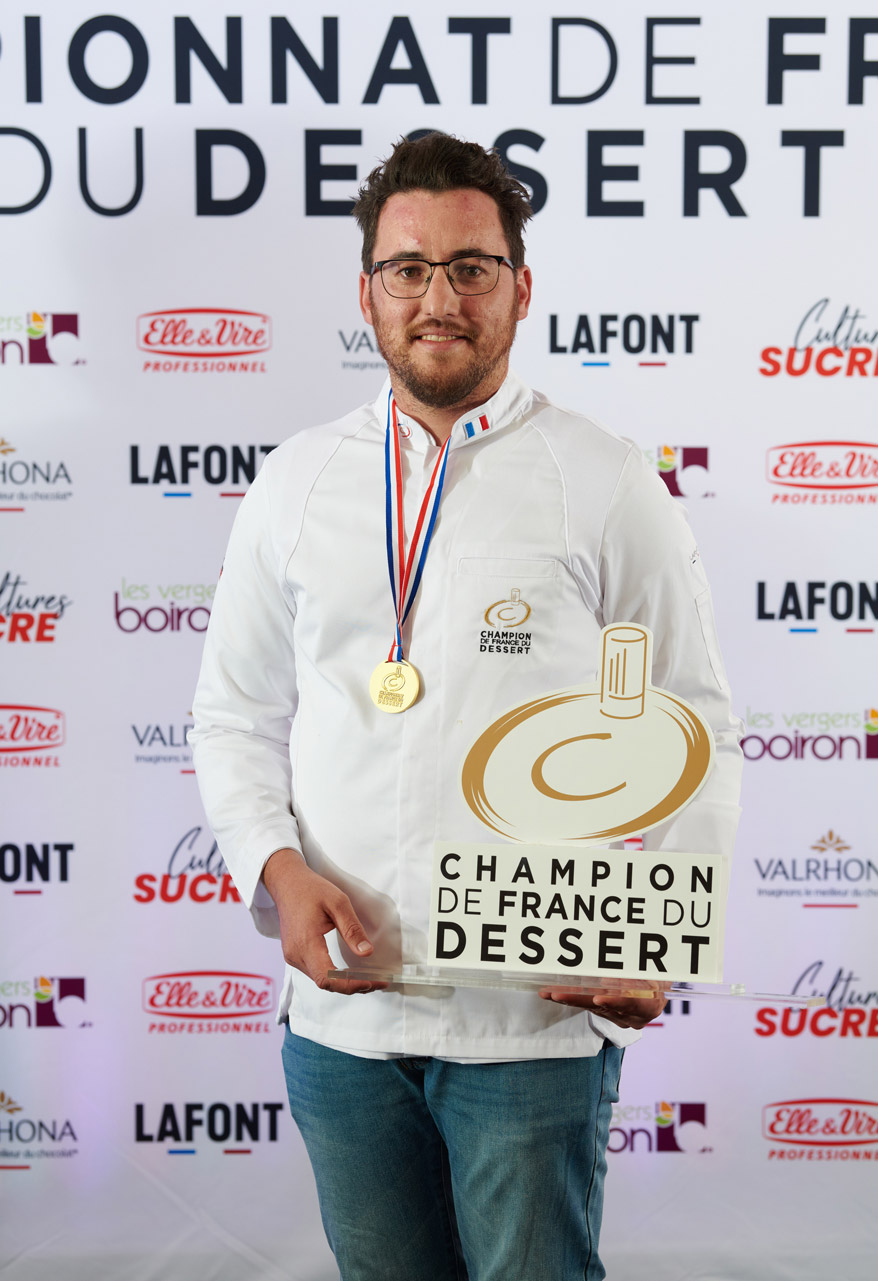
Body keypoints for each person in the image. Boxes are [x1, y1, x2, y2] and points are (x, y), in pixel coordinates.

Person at [190, 133, 743, 1281]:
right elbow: (235, 713)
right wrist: (274, 870)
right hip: (343, 1024)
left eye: (470, 268)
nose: (438, 298)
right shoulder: (296, 482)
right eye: (407, 269)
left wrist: (653, 939)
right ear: (366, 292)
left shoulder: (602, 480)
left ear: (519, 288)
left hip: (526, 1025)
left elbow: (690, 721)